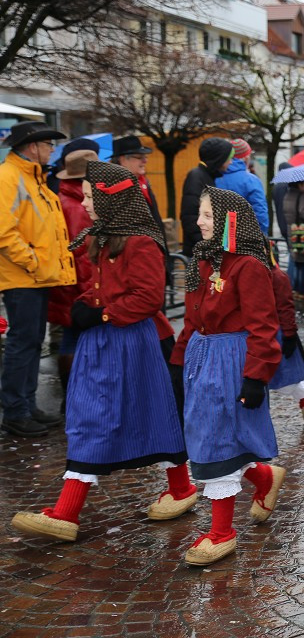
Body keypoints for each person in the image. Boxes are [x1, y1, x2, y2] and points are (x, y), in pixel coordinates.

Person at [11, 162, 193, 542]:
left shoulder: (139, 241)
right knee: (117, 412)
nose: (86, 203)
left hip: (130, 341)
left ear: (112, 200)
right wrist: (83, 305)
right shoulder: (104, 236)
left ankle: (67, 513)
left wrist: (103, 313)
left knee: (115, 414)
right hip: (106, 340)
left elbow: (147, 297)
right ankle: (180, 488)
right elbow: (102, 287)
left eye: (92, 197)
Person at [170, 188, 286, 566]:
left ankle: (222, 533)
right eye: (199, 214)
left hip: (232, 361)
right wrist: (178, 360)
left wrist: (255, 376)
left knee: (220, 439)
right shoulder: (202, 261)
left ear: (226, 222)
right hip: (203, 358)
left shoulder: (248, 265)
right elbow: (193, 317)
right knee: (210, 433)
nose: (199, 221)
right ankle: (264, 478)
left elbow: (264, 327)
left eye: (206, 215)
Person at [0, 121, 75, 437]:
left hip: (35, 277)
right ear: (33, 146)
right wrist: (35, 263)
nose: (52, 151)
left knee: (30, 344)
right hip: (23, 278)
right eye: (48, 145)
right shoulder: (9, 178)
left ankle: (26, 406)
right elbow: (4, 232)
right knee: (23, 344)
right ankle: (16, 411)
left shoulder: (33, 179)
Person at [47, 140, 97, 399]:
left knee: (70, 337)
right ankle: (74, 397)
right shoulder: (78, 205)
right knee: (74, 339)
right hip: (78, 284)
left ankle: (71, 397)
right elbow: (83, 254)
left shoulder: (62, 197)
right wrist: (91, 293)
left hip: (66, 282)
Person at [267, 248, 304, 425]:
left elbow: (286, 309)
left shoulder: (278, 277)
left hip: (276, 333)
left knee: (283, 379)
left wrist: (288, 334)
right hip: (252, 333)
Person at [180, 138, 232, 256]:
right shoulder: (196, 177)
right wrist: (207, 244)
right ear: (218, 158)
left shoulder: (207, 176)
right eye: (228, 158)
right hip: (200, 253)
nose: (230, 162)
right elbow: (190, 217)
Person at [211, 138, 269, 235]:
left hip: (218, 237)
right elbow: (260, 212)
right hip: (245, 238)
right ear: (246, 157)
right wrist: (262, 237)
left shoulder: (214, 178)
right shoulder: (251, 180)